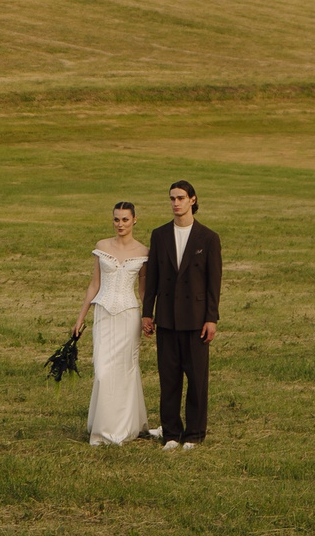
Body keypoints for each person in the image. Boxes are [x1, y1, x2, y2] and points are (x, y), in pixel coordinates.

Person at [139, 179, 221, 448]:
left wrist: (211, 318)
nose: (176, 203)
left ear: (193, 200)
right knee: (169, 378)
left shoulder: (208, 238)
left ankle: (195, 434)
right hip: (167, 318)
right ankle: (172, 433)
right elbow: (152, 278)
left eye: (181, 198)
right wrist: (147, 313)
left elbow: (213, 283)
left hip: (197, 319)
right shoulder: (159, 235)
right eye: (172, 198)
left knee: (197, 380)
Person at [71, 201, 150, 445]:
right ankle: (103, 428)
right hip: (104, 314)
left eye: (125, 219)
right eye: (116, 219)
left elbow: (143, 289)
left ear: (134, 220)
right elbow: (94, 284)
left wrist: (149, 316)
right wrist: (80, 318)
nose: (120, 224)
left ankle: (124, 427)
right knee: (103, 371)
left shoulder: (143, 251)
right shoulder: (102, 246)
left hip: (129, 315)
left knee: (126, 370)